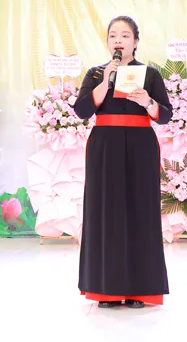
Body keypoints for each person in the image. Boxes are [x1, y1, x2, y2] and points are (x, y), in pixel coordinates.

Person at [74, 16, 172, 308]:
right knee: (105, 213)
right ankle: (106, 291)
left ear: (136, 42)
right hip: (104, 146)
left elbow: (166, 115)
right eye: (113, 35)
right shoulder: (95, 74)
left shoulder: (150, 74)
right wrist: (105, 82)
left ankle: (139, 290)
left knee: (140, 212)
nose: (118, 40)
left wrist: (147, 102)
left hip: (141, 146)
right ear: (108, 42)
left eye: (125, 35)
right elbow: (82, 110)